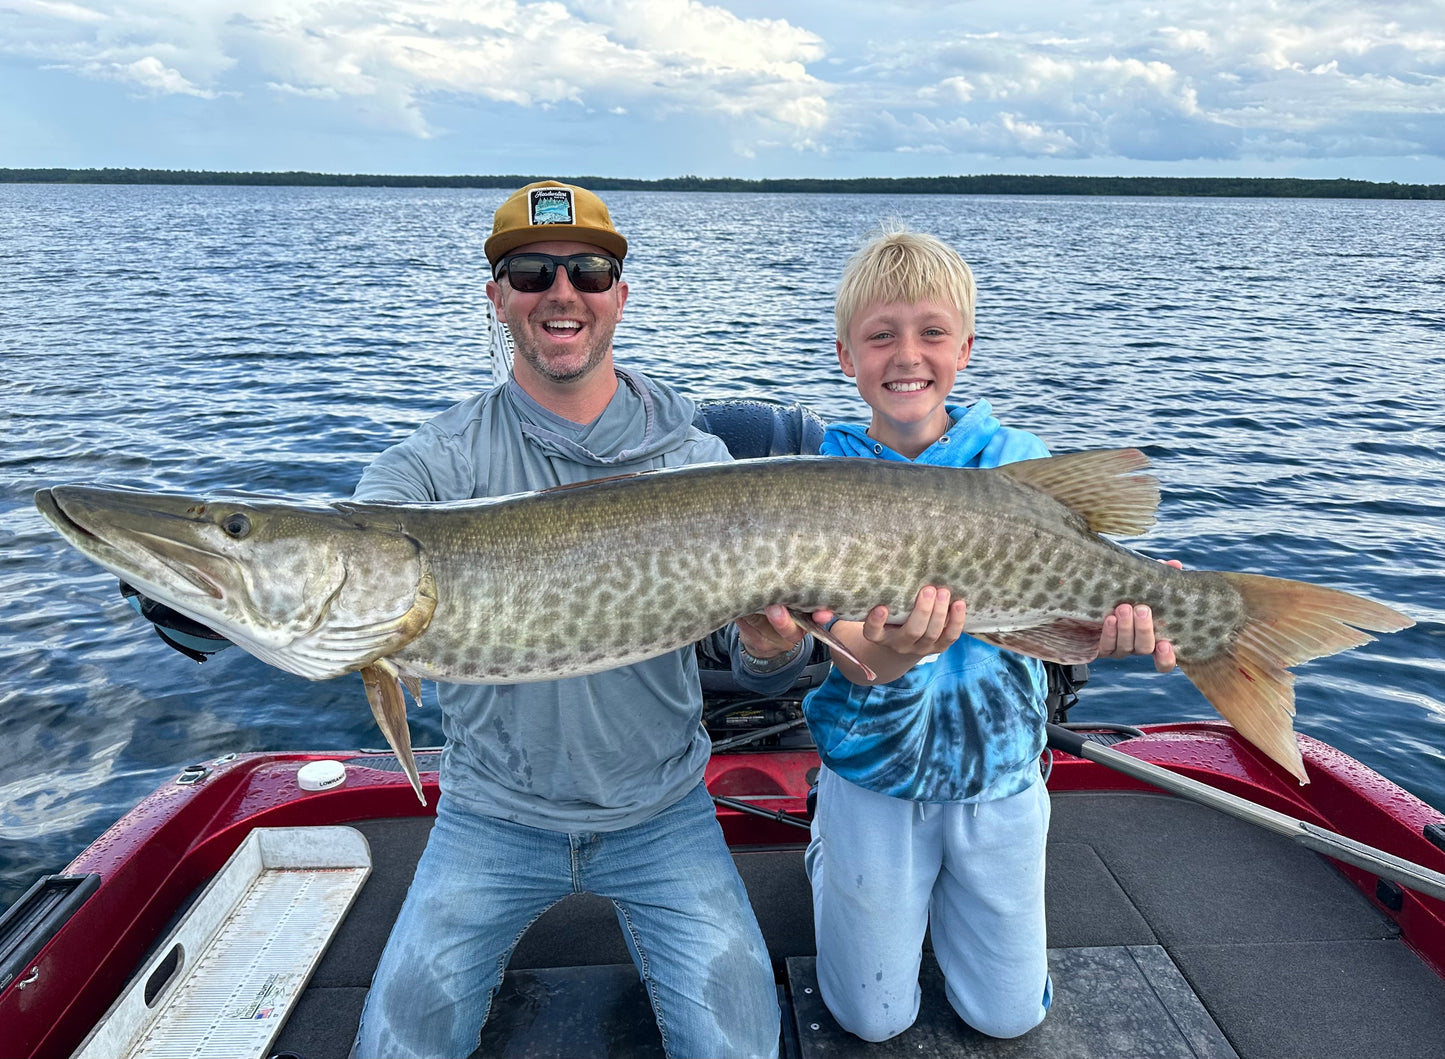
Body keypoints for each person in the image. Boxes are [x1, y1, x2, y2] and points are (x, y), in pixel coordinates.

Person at [349, 181, 818, 1059]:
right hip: (490, 812)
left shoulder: (696, 460)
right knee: (395, 1044)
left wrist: (769, 647)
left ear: (618, 295)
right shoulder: (435, 465)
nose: (560, 292)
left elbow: (761, 665)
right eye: (530, 272)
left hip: (663, 809)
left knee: (739, 1047)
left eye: (588, 272)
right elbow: (356, 550)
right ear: (497, 298)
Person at [801, 222, 1177, 1044]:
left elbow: (1072, 609)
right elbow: (842, 648)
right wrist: (895, 651)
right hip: (869, 775)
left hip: (999, 776)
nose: (907, 355)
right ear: (845, 356)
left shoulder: (1018, 458)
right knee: (871, 1020)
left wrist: (1115, 626)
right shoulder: (814, 479)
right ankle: (827, 850)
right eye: (880, 336)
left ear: (964, 348)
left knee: (1006, 1017)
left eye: (931, 333)